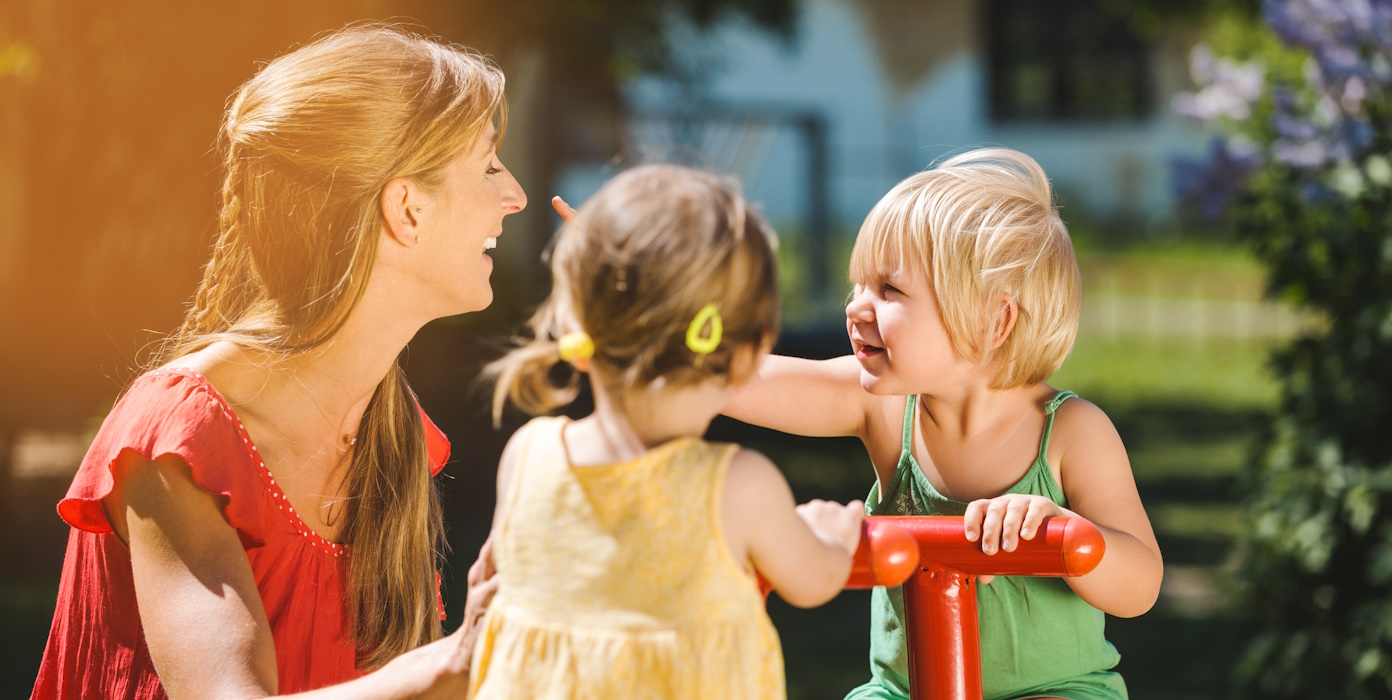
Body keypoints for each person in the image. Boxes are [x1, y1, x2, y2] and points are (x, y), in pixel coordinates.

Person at [30, 25, 526, 699]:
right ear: (406, 209)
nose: (515, 195)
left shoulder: (391, 429)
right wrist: (460, 659)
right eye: (490, 165)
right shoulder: (180, 436)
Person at [722, 148, 1164, 700]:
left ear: (993, 319)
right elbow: (736, 378)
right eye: (858, 285)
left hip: (1055, 691)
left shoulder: (1072, 432)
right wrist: (655, 334)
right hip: (903, 692)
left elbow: (1141, 583)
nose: (856, 308)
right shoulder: (883, 408)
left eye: (889, 290)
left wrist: (1063, 531)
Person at [471, 164, 866, 699]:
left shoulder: (528, 453)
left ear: (575, 326)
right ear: (753, 351)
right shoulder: (738, 486)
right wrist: (832, 535)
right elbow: (813, 579)